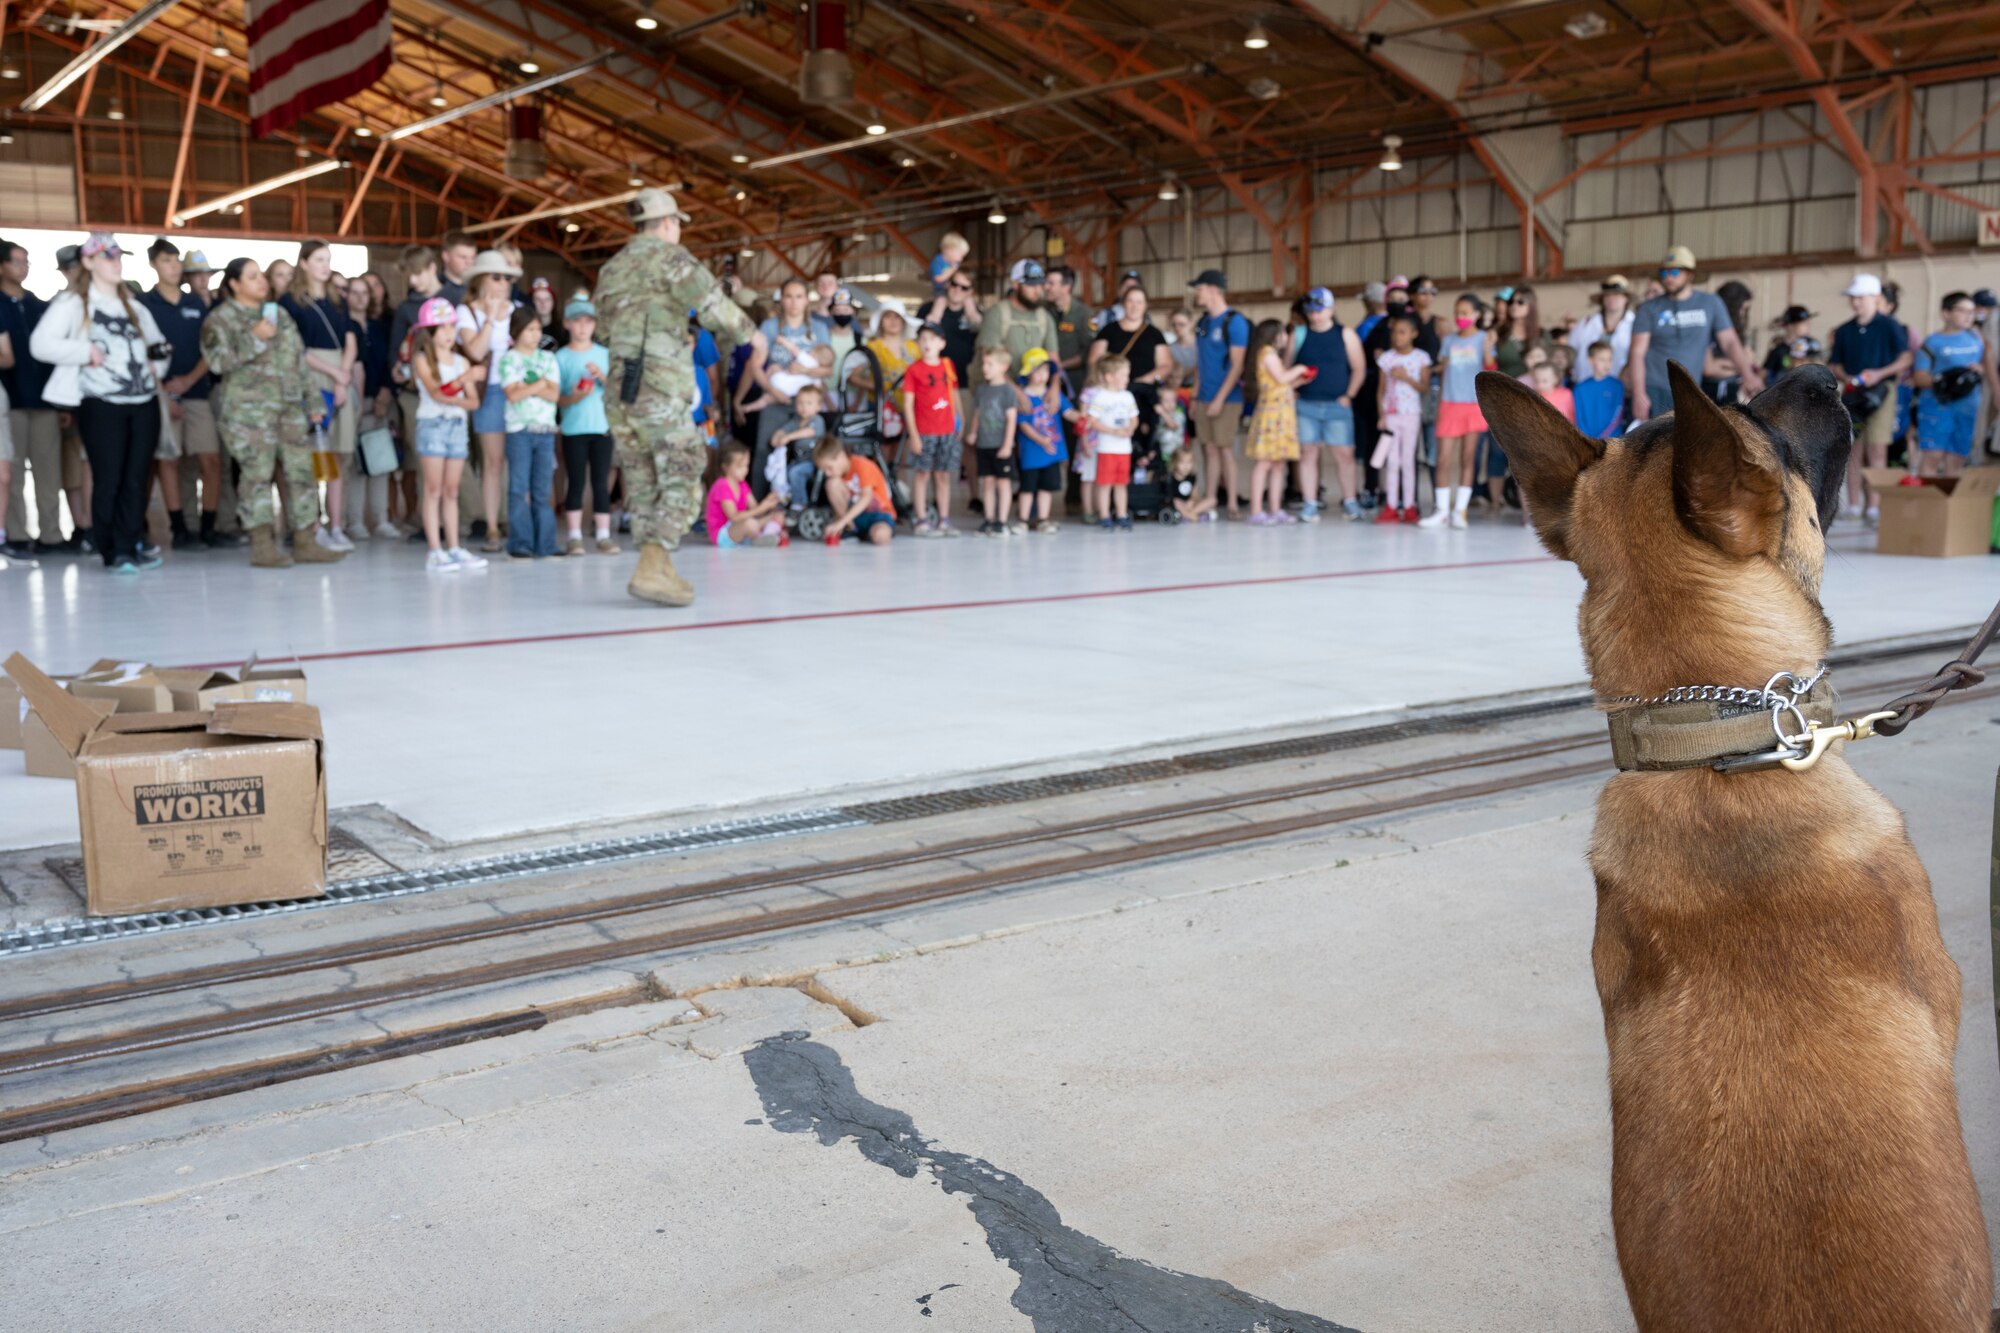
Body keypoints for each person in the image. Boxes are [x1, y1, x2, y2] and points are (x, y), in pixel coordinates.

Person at [596, 189, 758, 605]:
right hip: (658, 386)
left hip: (619, 390)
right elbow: (713, 305)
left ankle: (660, 569)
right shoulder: (673, 258)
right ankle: (653, 563)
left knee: (645, 479)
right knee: (685, 469)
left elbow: (603, 331)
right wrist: (752, 335)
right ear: (669, 223)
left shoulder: (611, 269)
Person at [29, 234, 175, 574]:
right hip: (101, 403)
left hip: (143, 402)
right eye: (107, 256)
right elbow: (40, 344)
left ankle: (130, 544)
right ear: (89, 262)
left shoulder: (134, 306)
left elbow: (159, 346)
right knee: (109, 476)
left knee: (137, 476)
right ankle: (111, 549)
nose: (115, 262)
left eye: (118, 256)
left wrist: (159, 367)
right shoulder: (73, 304)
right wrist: (84, 352)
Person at [197, 257, 339, 569]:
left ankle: (305, 540)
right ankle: (261, 546)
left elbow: (298, 360)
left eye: (261, 276)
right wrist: (254, 338)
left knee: (302, 473)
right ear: (234, 284)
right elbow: (218, 363)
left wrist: (313, 401)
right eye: (252, 277)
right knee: (256, 476)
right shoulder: (220, 319)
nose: (262, 281)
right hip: (250, 413)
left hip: (289, 408)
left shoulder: (280, 315)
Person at [139, 238, 235, 551]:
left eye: (176, 260)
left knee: (211, 459)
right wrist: (165, 392)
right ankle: (179, 529)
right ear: (154, 264)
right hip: (160, 394)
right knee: (169, 460)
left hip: (197, 392)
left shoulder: (195, 304)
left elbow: (211, 349)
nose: (174, 266)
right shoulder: (143, 305)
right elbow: (141, 354)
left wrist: (188, 380)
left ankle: (208, 528)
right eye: (166, 261)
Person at [1627, 244, 1762, 423]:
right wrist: (1639, 393)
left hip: (1690, 389)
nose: (1668, 278)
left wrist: (1748, 374)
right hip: (1654, 389)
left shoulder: (1711, 303)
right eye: (1664, 273)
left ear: (1690, 274)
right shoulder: (1648, 308)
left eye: (1674, 272)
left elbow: (1729, 341)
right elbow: (1637, 353)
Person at [281, 240, 358, 551]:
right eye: (318, 260)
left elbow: (350, 339)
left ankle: (336, 525)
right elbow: (295, 348)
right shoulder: (291, 301)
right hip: (311, 372)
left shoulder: (338, 299)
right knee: (313, 454)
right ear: (304, 263)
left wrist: (342, 376)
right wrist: (333, 374)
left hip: (340, 368)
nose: (325, 266)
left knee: (338, 454)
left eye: (328, 259)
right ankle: (313, 526)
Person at [0, 238, 69, 555]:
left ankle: (52, 535)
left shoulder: (39, 306)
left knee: (48, 472)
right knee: (10, 474)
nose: (23, 267)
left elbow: (54, 357)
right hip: (9, 403)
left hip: (44, 402)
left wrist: (60, 403)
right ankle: (15, 534)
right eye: (17, 261)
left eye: (27, 261)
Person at [408, 295, 485, 571]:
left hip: (456, 427)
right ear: (429, 332)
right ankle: (434, 549)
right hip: (432, 426)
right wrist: (462, 384)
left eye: (452, 327)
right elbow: (436, 392)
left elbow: (473, 401)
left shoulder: (460, 362)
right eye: (442, 328)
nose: (449, 334)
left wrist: (454, 395)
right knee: (433, 489)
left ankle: (453, 546)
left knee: (452, 489)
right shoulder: (421, 359)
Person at [455, 249, 523, 551]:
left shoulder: (519, 309)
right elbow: (476, 352)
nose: (503, 283)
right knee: (492, 462)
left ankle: (520, 523)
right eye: (496, 277)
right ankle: (493, 526)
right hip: (491, 392)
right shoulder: (467, 312)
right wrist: (491, 321)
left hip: (518, 390)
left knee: (520, 460)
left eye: (507, 277)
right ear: (481, 279)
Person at [1829, 272, 1911, 522]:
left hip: (1882, 392)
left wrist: (1879, 374)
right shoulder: (1844, 330)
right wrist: (1847, 376)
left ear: (1875, 298)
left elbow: (1905, 358)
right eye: (1853, 298)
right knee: (1853, 448)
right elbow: (1834, 364)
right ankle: (1854, 503)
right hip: (1854, 392)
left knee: (1878, 448)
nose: (1856, 303)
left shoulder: (1890, 326)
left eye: (1861, 297)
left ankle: (1874, 504)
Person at [742, 277, 832, 475]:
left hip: (808, 401)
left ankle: (799, 501)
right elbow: (755, 366)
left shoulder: (819, 328)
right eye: (789, 296)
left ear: (807, 300)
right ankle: (760, 500)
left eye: (799, 296)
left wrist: (805, 370)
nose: (794, 302)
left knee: (807, 450)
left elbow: (828, 369)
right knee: (764, 448)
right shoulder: (769, 327)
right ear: (781, 300)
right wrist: (772, 391)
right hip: (776, 398)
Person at [1290, 287, 1365, 522]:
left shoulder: (1346, 335)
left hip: (1337, 405)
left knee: (1344, 454)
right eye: (1311, 311)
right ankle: (1310, 502)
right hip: (1307, 405)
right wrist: (1293, 389)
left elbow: (1359, 368)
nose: (1315, 316)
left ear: (1331, 309)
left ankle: (1350, 501)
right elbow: (1286, 369)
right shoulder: (1299, 334)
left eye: (1320, 311)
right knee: (1308, 453)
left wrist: (1349, 395)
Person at [497, 307, 561, 559]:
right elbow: (512, 394)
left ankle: (546, 543)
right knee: (518, 488)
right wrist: (540, 384)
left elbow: (555, 394)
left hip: (545, 430)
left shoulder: (548, 359)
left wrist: (527, 387)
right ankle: (520, 542)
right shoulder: (508, 359)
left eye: (538, 329)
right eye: (530, 329)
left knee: (542, 490)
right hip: (519, 430)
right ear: (517, 331)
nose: (536, 335)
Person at [554, 298, 615, 555]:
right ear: (567, 324)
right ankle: (574, 535)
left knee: (601, 482)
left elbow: (617, 391)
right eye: (577, 321)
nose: (582, 327)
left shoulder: (604, 354)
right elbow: (556, 397)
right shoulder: (561, 357)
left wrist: (602, 377)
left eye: (588, 321)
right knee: (575, 481)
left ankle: (603, 534)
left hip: (602, 427)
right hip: (573, 428)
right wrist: (575, 396)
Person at [1087, 285, 1169, 475]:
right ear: (1123, 304)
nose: (1134, 306)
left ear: (1145, 305)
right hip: (1113, 395)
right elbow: (1094, 360)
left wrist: (1146, 380)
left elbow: (1165, 365)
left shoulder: (1154, 334)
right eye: (1130, 301)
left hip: (1144, 396)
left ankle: (1139, 489)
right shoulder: (1108, 330)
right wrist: (1109, 384)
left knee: (1145, 440)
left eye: (1139, 302)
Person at [1189, 268, 1249, 518]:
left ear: (1214, 289)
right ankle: (1210, 496)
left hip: (1227, 399)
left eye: (1200, 288)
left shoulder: (1234, 322)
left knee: (1225, 449)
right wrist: (1195, 396)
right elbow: (1200, 364)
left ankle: (1233, 502)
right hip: (1204, 396)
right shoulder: (1202, 322)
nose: (1196, 293)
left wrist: (1219, 399)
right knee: (1209, 449)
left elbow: (1237, 365)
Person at [342, 273, 396, 539]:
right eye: (355, 292)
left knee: (380, 461)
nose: (361, 297)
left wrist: (385, 394)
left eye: (365, 292)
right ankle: (355, 522)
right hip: (352, 401)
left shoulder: (378, 327)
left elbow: (390, 362)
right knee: (355, 466)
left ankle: (381, 519)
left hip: (379, 400)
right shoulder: (343, 326)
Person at [1911, 291, 1985, 478]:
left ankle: (1950, 507)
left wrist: (1977, 371)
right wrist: (1944, 379)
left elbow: (1985, 367)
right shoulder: (1933, 342)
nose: (1970, 315)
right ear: (1946, 313)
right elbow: (1919, 377)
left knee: (1957, 459)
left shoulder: (1976, 339)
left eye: (1972, 311)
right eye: (1963, 310)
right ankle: (1927, 505)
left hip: (1967, 407)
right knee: (1933, 457)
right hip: (1937, 407)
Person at [1244, 319, 1307, 525]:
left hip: (1282, 414)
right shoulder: (1267, 353)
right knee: (1264, 462)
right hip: (1271, 416)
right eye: (1283, 333)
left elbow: (1282, 382)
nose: (1286, 338)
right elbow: (1281, 377)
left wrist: (1299, 381)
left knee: (1278, 463)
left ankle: (1275, 508)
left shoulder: (1273, 356)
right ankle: (1256, 510)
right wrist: (1299, 369)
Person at [902, 320, 961, 537]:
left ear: (942, 343)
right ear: (918, 342)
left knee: (943, 475)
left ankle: (944, 519)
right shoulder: (914, 370)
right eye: (923, 338)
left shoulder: (947, 365)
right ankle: (921, 520)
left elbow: (953, 393)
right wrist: (914, 435)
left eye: (933, 338)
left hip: (946, 430)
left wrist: (959, 420)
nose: (928, 343)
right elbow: (908, 404)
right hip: (925, 431)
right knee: (922, 475)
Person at [1371, 313, 1429, 525]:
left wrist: (1406, 378)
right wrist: (1381, 415)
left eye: (1403, 332)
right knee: (1392, 461)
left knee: (1407, 461)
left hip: (1411, 414)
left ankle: (1410, 506)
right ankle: (1391, 506)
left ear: (1414, 334)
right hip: (1391, 415)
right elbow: (1380, 390)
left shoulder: (1421, 358)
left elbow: (1424, 388)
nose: (1397, 336)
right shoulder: (1386, 359)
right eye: (1394, 332)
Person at [974, 258, 1059, 379]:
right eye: (1031, 285)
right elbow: (990, 363)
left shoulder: (1045, 317)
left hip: (1034, 390)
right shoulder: (996, 314)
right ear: (1014, 284)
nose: (1037, 291)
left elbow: (1053, 358)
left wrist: (1054, 388)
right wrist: (1021, 396)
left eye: (1040, 285)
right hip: (1002, 391)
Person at [1080, 353, 1138, 531]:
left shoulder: (1127, 396)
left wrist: (1130, 429)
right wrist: (1113, 431)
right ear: (1109, 377)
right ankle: (1104, 515)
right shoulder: (1100, 397)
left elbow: (1134, 417)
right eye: (1123, 375)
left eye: (1127, 375)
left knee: (1121, 484)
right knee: (1104, 484)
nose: (1126, 379)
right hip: (1106, 447)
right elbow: (1092, 420)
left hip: (1124, 448)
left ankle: (1121, 514)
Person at [1013, 347, 1067, 534]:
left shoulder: (1053, 395)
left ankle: (1043, 519)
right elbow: (1023, 425)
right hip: (1032, 452)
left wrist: (1086, 417)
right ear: (1028, 373)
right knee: (1027, 488)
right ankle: (1023, 520)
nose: (1042, 375)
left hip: (1051, 453)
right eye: (1037, 370)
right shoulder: (1023, 398)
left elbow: (1068, 412)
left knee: (1047, 488)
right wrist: (1042, 440)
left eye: (1045, 370)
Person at [967, 345, 1019, 536]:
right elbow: (977, 414)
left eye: (990, 364)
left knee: (1003, 483)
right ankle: (989, 519)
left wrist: (1007, 444)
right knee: (987, 482)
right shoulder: (981, 390)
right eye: (984, 364)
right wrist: (972, 433)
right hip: (984, 444)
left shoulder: (1007, 391)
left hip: (1001, 445)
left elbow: (1011, 419)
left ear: (1003, 366)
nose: (985, 368)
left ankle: (1002, 520)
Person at [812, 436, 894, 545]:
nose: (827, 473)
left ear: (841, 456)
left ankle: (866, 532)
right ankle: (850, 529)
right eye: (824, 470)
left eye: (829, 467)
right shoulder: (838, 476)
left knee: (880, 535)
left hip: (878, 515)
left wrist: (840, 523)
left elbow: (866, 498)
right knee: (832, 483)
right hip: (854, 518)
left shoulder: (862, 464)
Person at [705, 439, 784, 547]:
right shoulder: (722, 485)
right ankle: (761, 537)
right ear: (725, 467)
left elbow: (756, 510)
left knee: (777, 516)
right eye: (740, 467)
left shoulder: (742, 485)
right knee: (750, 524)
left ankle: (765, 536)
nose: (745, 470)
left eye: (746, 466)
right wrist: (760, 509)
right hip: (723, 535)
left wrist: (768, 503)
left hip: (741, 528)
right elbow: (734, 517)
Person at [773, 383, 828, 510]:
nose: (804, 407)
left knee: (795, 473)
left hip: (813, 462)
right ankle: (784, 499)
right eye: (800, 403)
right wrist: (777, 437)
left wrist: (788, 437)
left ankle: (800, 504)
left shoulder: (817, 420)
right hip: (798, 461)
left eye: (809, 403)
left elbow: (809, 431)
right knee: (782, 474)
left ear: (818, 406)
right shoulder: (796, 421)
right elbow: (784, 429)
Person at [1568, 276, 1636, 379]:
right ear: (1602, 300)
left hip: (1621, 387)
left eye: (1617, 294)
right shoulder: (1586, 323)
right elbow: (1571, 351)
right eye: (1607, 295)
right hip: (1584, 383)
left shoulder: (1635, 324)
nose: (1612, 298)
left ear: (1626, 298)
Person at [1702, 280, 1754, 402]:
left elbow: (1748, 360)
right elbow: (1708, 368)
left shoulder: (1739, 333)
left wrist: (1724, 364)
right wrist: (1738, 365)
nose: (1744, 314)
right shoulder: (1708, 328)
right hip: (1710, 390)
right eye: (1742, 308)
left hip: (1731, 388)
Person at [1045, 265, 1094, 394]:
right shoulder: (1043, 312)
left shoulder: (1085, 314)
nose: (1046, 287)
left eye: (1051, 283)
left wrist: (1061, 365)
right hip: (1044, 380)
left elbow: (1089, 351)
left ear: (1066, 287)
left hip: (1075, 381)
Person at [1573, 341, 1625, 441]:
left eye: (1610, 359)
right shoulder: (1580, 388)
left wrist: (1603, 437)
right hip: (1588, 441)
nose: (1607, 364)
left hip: (1613, 440)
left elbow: (1618, 414)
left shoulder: (1617, 385)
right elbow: (1579, 417)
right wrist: (1588, 439)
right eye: (1602, 360)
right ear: (1591, 361)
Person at [1763, 304, 1822, 383]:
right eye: (1803, 322)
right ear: (1790, 325)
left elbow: (1821, 369)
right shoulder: (1778, 350)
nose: (1809, 325)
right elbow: (1763, 374)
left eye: (1808, 322)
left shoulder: (1812, 345)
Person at [1163, 446, 1212, 524]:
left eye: (1189, 462)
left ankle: (1189, 514)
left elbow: (1195, 495)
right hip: (1177, 505)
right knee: (1176, 502)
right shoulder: (1170, 477)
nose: (1186, 466)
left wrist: (1192, 501)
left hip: (1189, 505)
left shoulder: (1192, 477)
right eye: (1182, 462)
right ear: (1175, 463)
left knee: (1212, 500)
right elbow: (1169, 498)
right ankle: (1192, 515)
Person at [437, 230, 477, 304]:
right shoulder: (437, 290)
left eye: (472, 257)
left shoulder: (477, 288)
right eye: (463, 257)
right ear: (446, 256)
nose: (469, 262)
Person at [929, 232, 969, 303]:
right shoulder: (938, 262)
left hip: (950, 287)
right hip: (940, 289)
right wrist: (952, 270)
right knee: (941, 302)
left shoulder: (955, 263)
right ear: (949, 251)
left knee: (968, 300)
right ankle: (935, 314)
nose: (961, 259)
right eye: (961, 255)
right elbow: (938, 279)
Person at [528, 277, 564, 351]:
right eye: (538, 299)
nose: (543, 303)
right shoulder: (523, 328)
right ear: (530, 302)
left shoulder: (563, 328)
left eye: (547, 299)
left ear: (553, 302)